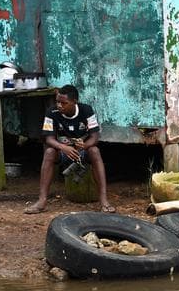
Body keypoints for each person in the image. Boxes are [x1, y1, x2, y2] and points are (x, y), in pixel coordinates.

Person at [23, 84, 114, 214]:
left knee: (95, 151)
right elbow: (49, 139)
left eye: (63, 103)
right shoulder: (52, 112)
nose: (59, 105)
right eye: (57, 102)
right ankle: (42, 201)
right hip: (62, 152)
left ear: (74, 102)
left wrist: (84, 146)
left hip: (81, 151)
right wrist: (63, 148)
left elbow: (95, 137)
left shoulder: (86, 110)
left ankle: (104, 201)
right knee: (49, 152)